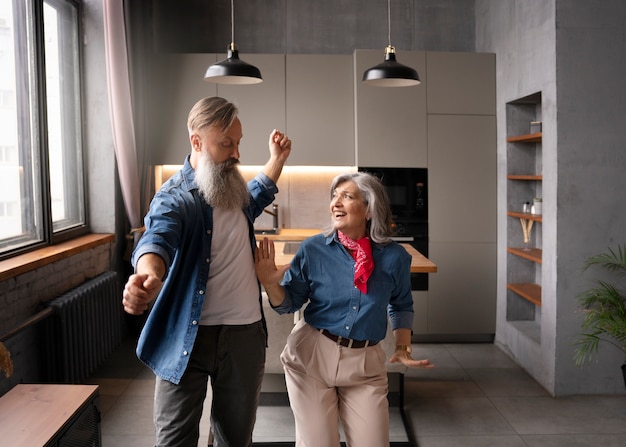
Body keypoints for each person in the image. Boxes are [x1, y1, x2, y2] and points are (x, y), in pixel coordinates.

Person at [122, 96, 292, 447]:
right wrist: (149, 274)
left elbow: (257, 194)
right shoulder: (175, 197)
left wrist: (276, 160)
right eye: (226, 143)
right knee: (174, 439)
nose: (236, 153)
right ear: (197, 141)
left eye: (238, 142)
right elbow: (157, 237)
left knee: (234, 439)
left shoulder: (232, 188)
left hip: (244, 337)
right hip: (186, 335)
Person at [255, 171, 434, 447]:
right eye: (334, 196)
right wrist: (269, 283)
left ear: (369, 209)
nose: (335, 203)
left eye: (347, 197)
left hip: (365, 363)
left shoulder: (394, 257)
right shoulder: (313, 249)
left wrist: (402, 348)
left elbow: (401, 304)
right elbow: (289, 303)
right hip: (312, 356)